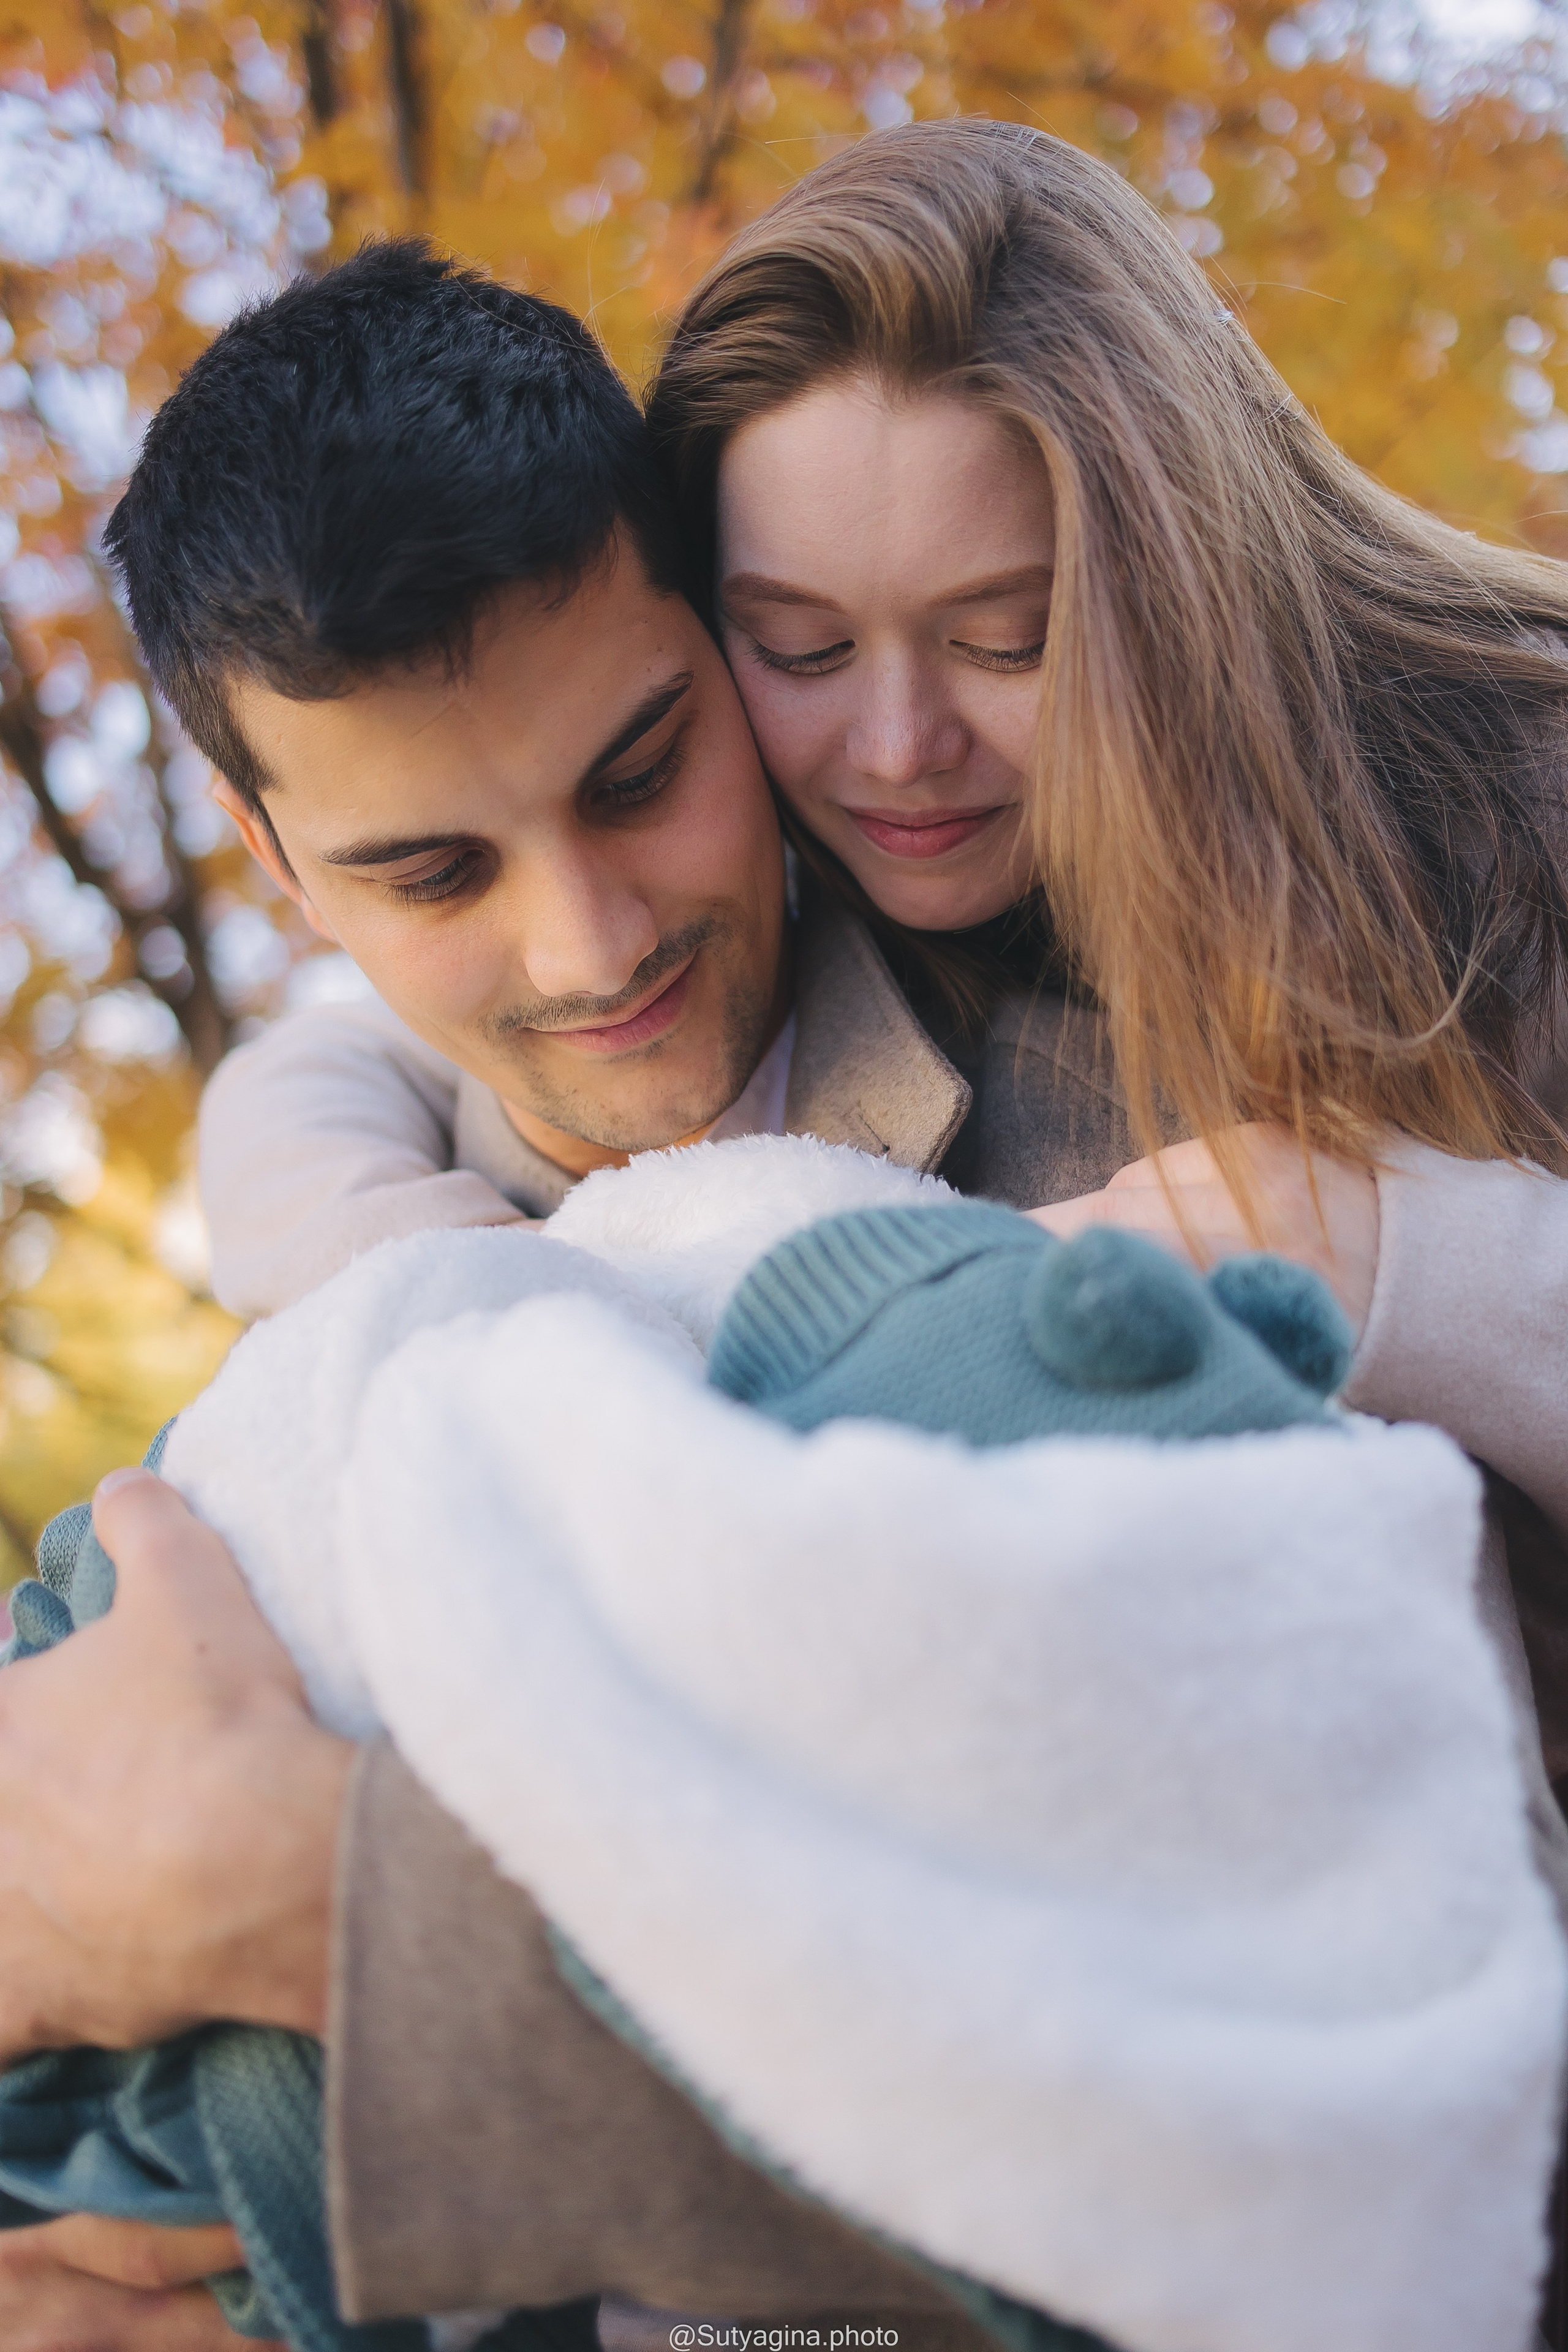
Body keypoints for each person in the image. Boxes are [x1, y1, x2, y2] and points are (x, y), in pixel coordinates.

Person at [7, 117, 1568, 2343]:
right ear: (282, 871)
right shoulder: (414, 1212)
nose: (588, 941)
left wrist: (324, 1928)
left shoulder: (1129, 1139)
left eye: (646, 767)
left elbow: (1394, 2075)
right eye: (431, 877)